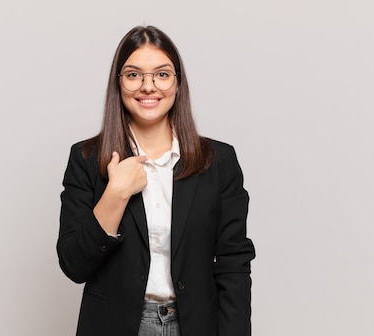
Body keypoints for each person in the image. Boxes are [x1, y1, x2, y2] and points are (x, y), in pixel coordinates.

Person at [57, 25, 255, 336]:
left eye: (162, 74)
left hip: (195, 324)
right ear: (118, 83)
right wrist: (116, 193)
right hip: (115, 326)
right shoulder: (85, 159)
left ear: (177, 84)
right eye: (134, 75)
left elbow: (233, 264)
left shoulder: (219, 161)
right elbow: (74, 265)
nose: (148, 86)